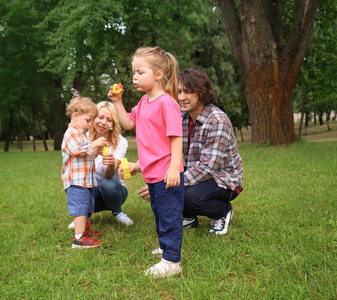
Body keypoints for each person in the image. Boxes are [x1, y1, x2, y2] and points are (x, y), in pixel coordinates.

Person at [129, 68, 243, 235]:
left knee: (187, 196)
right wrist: (140, 165)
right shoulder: (181, 116)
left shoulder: (218, 121)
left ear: (202, 93)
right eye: (180, 91)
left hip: (224, 180)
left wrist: (167, 184)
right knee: (172, 189)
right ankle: (188, 216)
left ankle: (222, 211)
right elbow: (162, 147)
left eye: (188, 92)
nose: (182, 97)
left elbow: (207, 168)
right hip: (197, 174)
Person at [108, 46, 184, 278]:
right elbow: (129, 124)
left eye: (140, 72)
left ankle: (171, 262)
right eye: (133, 72)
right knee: (160, 213)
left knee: (169, 215)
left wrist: (173, 168)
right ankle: (165, 246)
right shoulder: (143, 102)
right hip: (152, 174)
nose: (135, 77)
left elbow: (176, 137)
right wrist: (117, 102)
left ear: (159, 75)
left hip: (166, 173)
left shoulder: (167, 103)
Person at [68, 101, 133, 227]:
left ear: (113, 124)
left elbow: (109, 175)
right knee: (80, 187)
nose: (103, 122)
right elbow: (77, 170)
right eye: (100, 117)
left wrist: (110, 164)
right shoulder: (83, 138)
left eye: (109, 120)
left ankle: (117, 212)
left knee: (107, 184)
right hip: (91, 190)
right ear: (93, 118)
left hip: (114, 192)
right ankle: (84, 215)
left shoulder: (121, 142)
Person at [61, 96, 106, 249]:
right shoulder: (71, 133)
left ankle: (84, 232)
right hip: (76, 180)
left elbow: (86, 153)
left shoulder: (81, 134)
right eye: (88, 120)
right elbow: (77, 150)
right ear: (75, 116)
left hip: (86, 180)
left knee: (86, 207)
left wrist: (96, 151)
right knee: (80, 208)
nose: (90, 124)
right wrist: (93, 144)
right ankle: (79, 239)